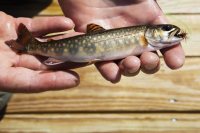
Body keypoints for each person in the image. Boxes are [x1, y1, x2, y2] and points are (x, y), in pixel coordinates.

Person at [0, 0, 185, 93]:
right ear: (150, 32)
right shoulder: (144, 39)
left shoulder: (147, 41)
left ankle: (28, 45)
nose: (171, 31)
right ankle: (29, 45)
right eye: (166, 29)